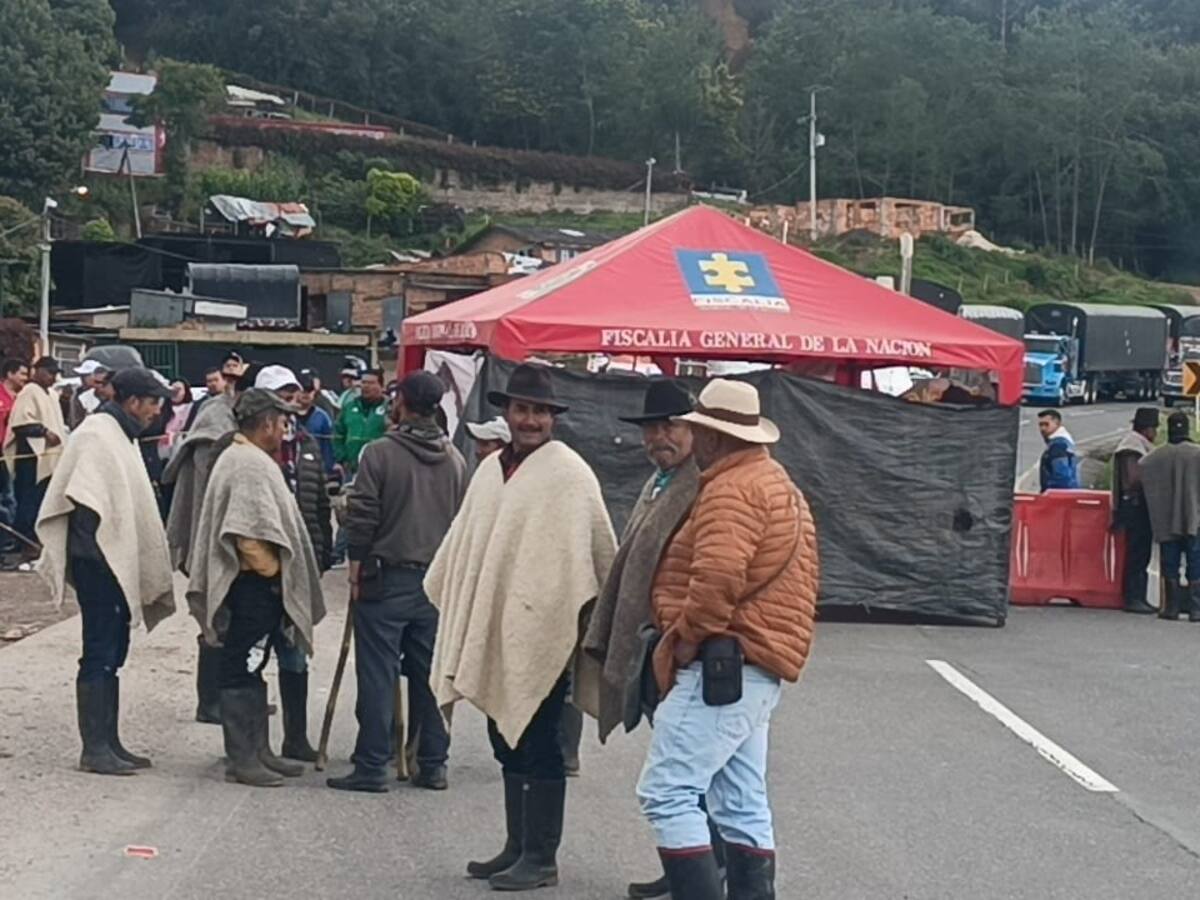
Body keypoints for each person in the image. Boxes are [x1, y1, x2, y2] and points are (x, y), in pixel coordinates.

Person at [426, 363, 617, 892]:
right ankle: (516, 845)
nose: (529, 420)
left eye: (539, 412)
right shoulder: (491, 470)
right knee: (502, 737)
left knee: (540, 743)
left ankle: (542, 856)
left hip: (546, 632)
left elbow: (594, 556)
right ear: (506, 412)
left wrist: (568, 618)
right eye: (521, 409)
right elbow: (469, 545)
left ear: (553, 418)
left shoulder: (570, 475)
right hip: (498, 626)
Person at [637, 379, 819, 900]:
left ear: (713, 436)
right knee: (741, 801)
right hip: (755, 662)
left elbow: (716, 580)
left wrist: (686, 639)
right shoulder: (775, 481)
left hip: (726, 659)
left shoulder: (730, 489)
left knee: (668, 792)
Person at [580, 379, 706, 899]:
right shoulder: (660, 480)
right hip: (654, 644)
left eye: (670, 425)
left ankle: (702, 873)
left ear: (694, 429)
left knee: (692, 774)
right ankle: (683, 866)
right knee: (681, 763)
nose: (660, 436)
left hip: (680, 645)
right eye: (652, 428)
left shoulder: (701, 486)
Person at [327, 371, 467, 794]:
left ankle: (372, 764)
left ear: (401, 402)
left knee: (377, 673)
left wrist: (353, 567)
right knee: (430, 676)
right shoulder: (455, 460)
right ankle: (433, 764)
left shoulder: (380, 454)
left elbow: (363, 514)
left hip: (386, 578)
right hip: (434, 583)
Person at [35, 368, 175, 775]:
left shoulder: (120, 433)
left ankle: (110, 741)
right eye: (152, 403)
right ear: (133, 401)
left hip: (110, 560)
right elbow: (85, 497)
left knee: (114, 651)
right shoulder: (97, 434)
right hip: (97, 561)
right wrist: (109, 553)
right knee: (99, 649)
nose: (155, 412)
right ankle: (94, 748)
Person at [185, 389, 326, 787]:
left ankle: (259, 750)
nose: (284, 430)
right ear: (266, 423)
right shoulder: (246, 463)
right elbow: (246, 533)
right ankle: (242, 758)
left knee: (253, 665)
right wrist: (274, 575)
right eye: (282, 423)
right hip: (251, 585)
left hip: (256, 587)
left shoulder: (248, 457)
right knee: (241, 665)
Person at [254, 365, 331, 761]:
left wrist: (324, 549)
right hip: (256, 572)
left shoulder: (306, 443)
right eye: (280, 394)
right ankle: (250, 746)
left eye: (292, 393)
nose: (289, 401)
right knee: (251, 654)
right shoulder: (246, 451)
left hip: (299, 566)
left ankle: (295, 738)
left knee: (295, 652)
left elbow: (316, 503)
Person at [163, 360, 247, 723]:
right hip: (208, 535)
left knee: (232, 619)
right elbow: (207, 498)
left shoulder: (227, 422)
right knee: (215, 615)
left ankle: (229, 695)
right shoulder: (215, 432)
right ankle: (211, 701)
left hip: (222, 536)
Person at [1141, 411, 1200, 622]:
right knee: (1195, 562)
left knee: (1170, 563)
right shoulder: (1197, 454)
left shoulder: (1156, 457)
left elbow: (1142, 468)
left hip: (1166, 520)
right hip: (1194, 518)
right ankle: (1196, 609)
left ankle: (1171, 608)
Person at [4, 357, 67, 551]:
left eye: (55, 373)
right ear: (37, 371)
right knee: (27, 501)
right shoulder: (30, 391)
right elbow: (20, 424)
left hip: (50, 457)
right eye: (49, 372)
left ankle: (36, 539)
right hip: (31, 456)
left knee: (42, 501)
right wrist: (44, 432)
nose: (52, 377)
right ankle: (24, 542)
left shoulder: (52, 395)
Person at [1113, 408, 1159, 615]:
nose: (1155, 434)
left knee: (1141, 553)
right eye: (1154, 429)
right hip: (1135, 507)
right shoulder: (1132, 447)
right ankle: (1133, 598)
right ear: (1147, 428)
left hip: (1136, 506)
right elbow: (1132, 479)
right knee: (1137, 554)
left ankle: (1138, 596)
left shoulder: (1136, 443)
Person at [334, 368, 388, 476]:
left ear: (381, 386)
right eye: (363, 382)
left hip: (380, 469)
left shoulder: (390, 408)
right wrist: (341, 458)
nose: (366, 386)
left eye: (371, 383)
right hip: (351, 469)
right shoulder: (349, 407)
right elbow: (338, 434)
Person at [0, 359, 29, 553]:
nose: (25, 378)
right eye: (22, 374)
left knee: (10, 499)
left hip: (10, 455)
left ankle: (8, 542)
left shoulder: (22, 398)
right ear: (10, 374)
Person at [297, 369, 336, 474]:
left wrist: (327, 470)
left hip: (315, 469)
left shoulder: (322, 417)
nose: (306, 393)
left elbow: (328, 448)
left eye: (310, 390)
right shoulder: (287, 415)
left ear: (314, 392)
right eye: (303, 389)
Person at [1038, 409, 1079, 491]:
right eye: (1040, 425)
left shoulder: (1058, 445)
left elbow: (1061, 477)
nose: (1042, 428)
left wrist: (1048, 493)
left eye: (1046, 424)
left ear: (1057, 424)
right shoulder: (1065, 441)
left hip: (1058, 496)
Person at [69, 360, 109, 428]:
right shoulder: (79, 395)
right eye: (81, 376)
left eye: (85, 376)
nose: (82, 379)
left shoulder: (108, 395)